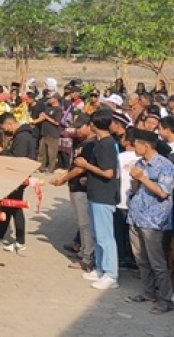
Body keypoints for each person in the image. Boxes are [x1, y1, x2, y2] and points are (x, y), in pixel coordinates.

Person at [123, 129, 173, 314]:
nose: (133, 147)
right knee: (141, 259)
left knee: (157, 262)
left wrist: (142, 178)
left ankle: (166, 299)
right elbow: (136, 189)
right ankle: (148, 292)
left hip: (154, 220)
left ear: (146, 146)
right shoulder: (139, 163)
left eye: (136, 144)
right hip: (136, 216)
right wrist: (134, 180)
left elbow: (163, 192)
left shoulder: (165, 166)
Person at [75, 109, 121, 290]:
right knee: (97, 234)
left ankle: (111, 274)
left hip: (104, 196)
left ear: (93, 125)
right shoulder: (102, 143)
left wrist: (86, 166)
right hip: (96, 194)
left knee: (105, 237)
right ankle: (100, 268)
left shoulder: (106, 145)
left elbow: (108, 173)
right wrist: (89, 177)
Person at [0, 113, 35, 253]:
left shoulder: (22, 137)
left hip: (19, 177)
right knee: (6, 206)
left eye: (4, 127)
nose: (4, 130)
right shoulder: (20, 135)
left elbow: (17, 159)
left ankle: (20, 242)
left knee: (15, 208)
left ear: (9, 124)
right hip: (16, 177)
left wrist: (1, 151)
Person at [52, 113, 96, 271]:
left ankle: (87, 257)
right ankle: (83, 251)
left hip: (82, 188)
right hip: (76, 186)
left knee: (85, 224)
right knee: (80, 223)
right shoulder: (83, 142)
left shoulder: (91, 144)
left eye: (79, 127)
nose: (76, 130)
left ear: (89, 126)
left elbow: (80, 169)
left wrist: (63, 179)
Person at [114, 128, 138, 270]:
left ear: (128, 141)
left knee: (120, 231)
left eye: (123, 137)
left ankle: (122, 258)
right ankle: (133, 258)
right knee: (133, 232)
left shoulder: (120, 157)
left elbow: (116, 177)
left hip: (121, 199)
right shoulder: (141, 158)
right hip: (135, 200)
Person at [34, 95, 63, 173]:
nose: (49, 99)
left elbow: (57, 122)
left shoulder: (58, 110)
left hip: (53, 135)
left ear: (55, 99)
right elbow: (42, 117)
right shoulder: (48, 108)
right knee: (41, 152)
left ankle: (50, 169)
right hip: (44, 133)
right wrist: (34, 120)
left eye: (51, 98)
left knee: (52, 154)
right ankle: (41, 168)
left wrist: (46, 117)